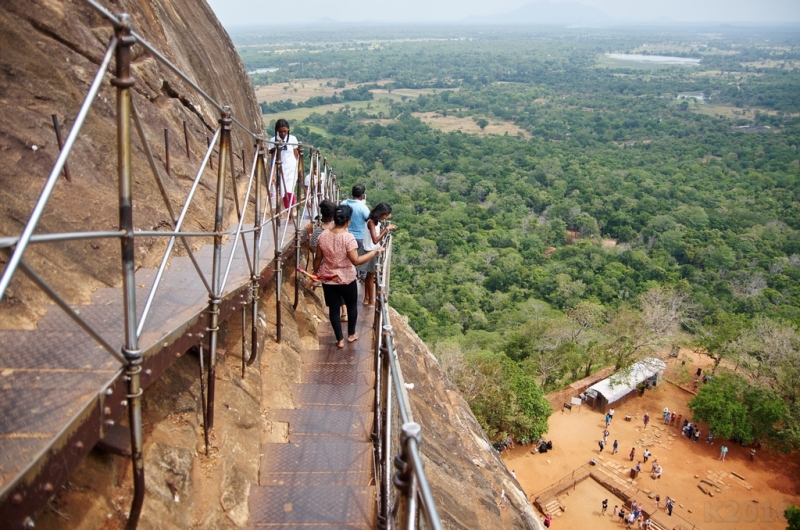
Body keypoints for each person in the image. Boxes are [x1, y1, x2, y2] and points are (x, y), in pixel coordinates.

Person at [314, 205, 383, 348]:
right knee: (351, 307)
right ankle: (351, 334)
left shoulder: (323, 236)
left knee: (333, 309)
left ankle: (339, 339)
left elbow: (318, 257)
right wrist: (374, 252)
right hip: (346, 278)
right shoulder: (348, 238)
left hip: (328, 278)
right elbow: (356, 260)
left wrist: (316, 274)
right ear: (348, 221)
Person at [362, 202, 396, 306]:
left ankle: (366, 298)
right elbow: (375, 240)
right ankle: (371, 300)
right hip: (370, 251)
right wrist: (386, 230)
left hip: (372, 250)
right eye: (385, 215)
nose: (386, 217)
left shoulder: (377, 222)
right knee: (371, 277)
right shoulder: (371, 222)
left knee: (369, 276)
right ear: (381, 213)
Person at [269, 118, 300, 217]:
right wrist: (273, 174)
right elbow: (272, 158)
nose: (283, 133)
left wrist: (299, 169)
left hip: (292, 167)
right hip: (280, 168)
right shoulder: (273, 140)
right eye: (280, 131)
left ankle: (291, 210)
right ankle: (289, 212)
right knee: (283, 191)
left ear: (288, 130)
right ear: (277, 131)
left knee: (289, 189)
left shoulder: (293, 139)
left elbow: (296, 154)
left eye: (285, 131)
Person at [342, 185, 371, 280]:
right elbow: (369, 220)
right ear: (362, 196)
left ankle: (352, 274)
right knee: (361, 257)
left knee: (348, 257)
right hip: (360, 237)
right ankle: (362, 276)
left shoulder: (344, 203)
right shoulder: (363, 207)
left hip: (345, 235)